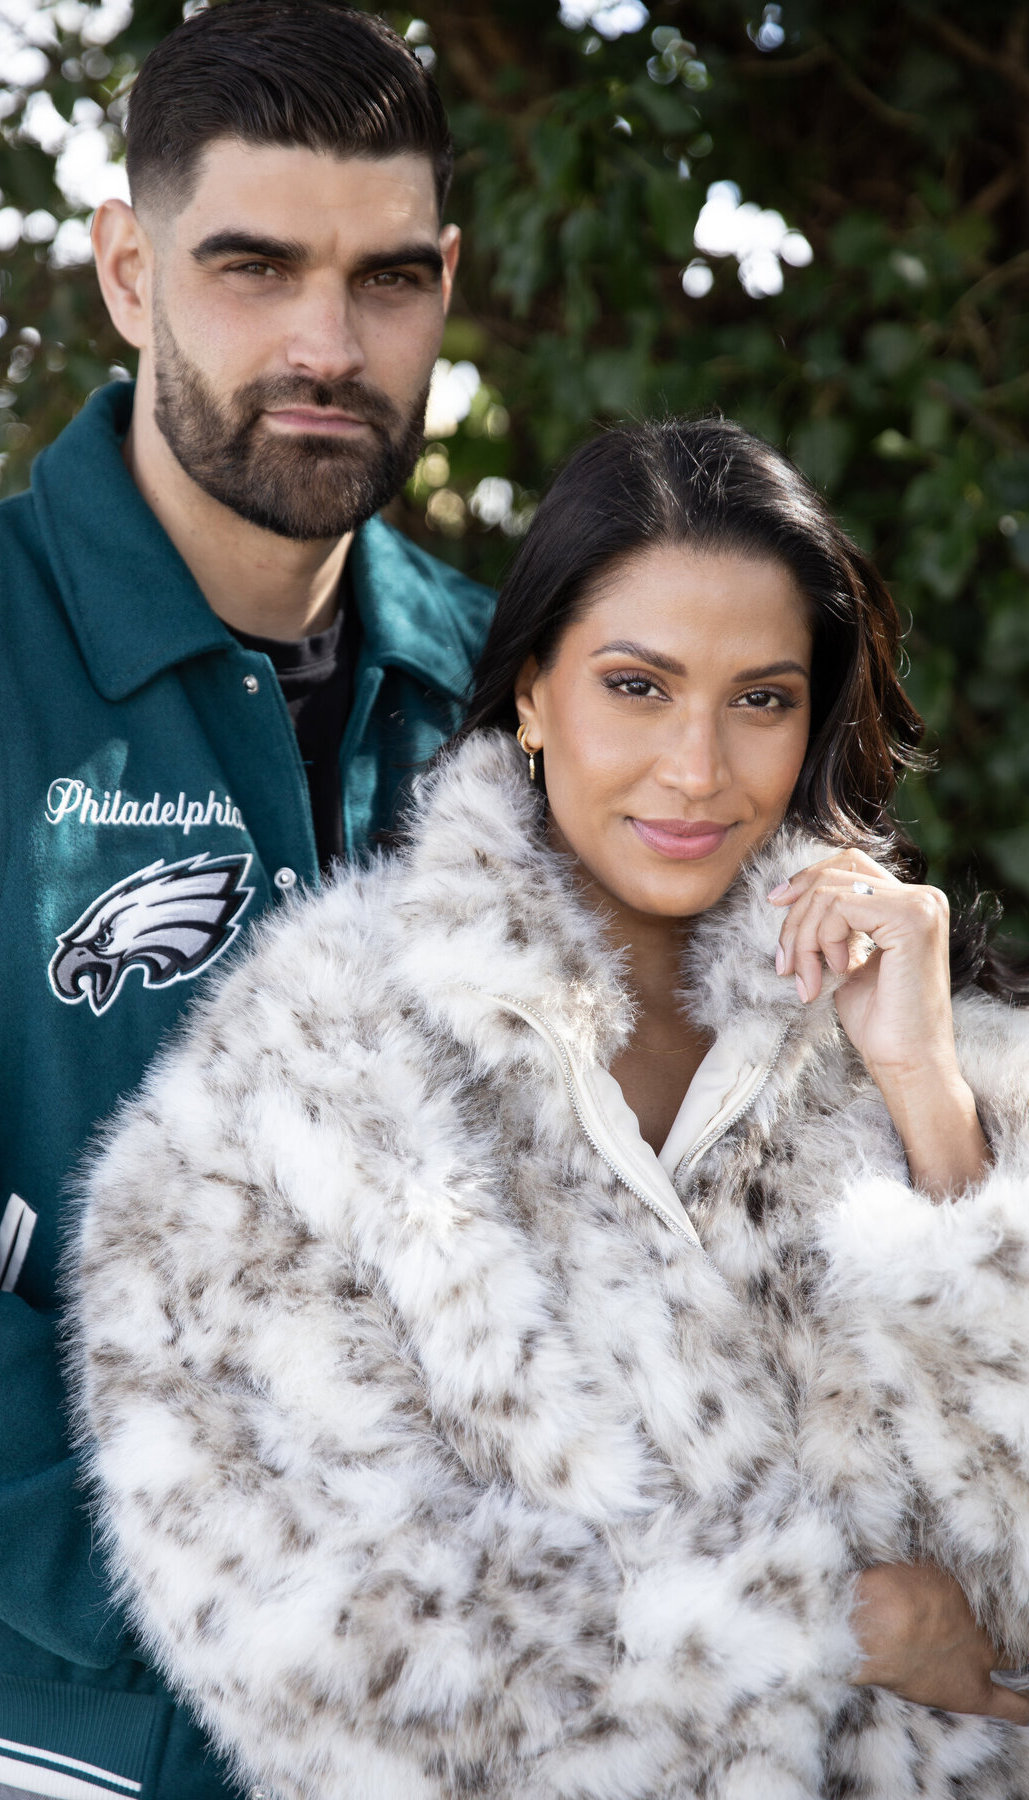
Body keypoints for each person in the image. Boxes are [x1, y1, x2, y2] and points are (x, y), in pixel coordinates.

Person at [72, 417, 1029, 1800]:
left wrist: (929, 1098)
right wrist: (832, 1627)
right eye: (637, 687)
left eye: (761, 700)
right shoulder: (315, 1069)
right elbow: (308, 1638)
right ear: (531, 692)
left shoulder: (930, 1047)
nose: (697, 768)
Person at [0, 5, 492, 1798]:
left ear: (445, 284)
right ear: (130, 272)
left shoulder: (516, 694)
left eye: (384, 280)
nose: (326, 344)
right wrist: (237, 1607)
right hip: (43, 1751)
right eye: (252, 266)